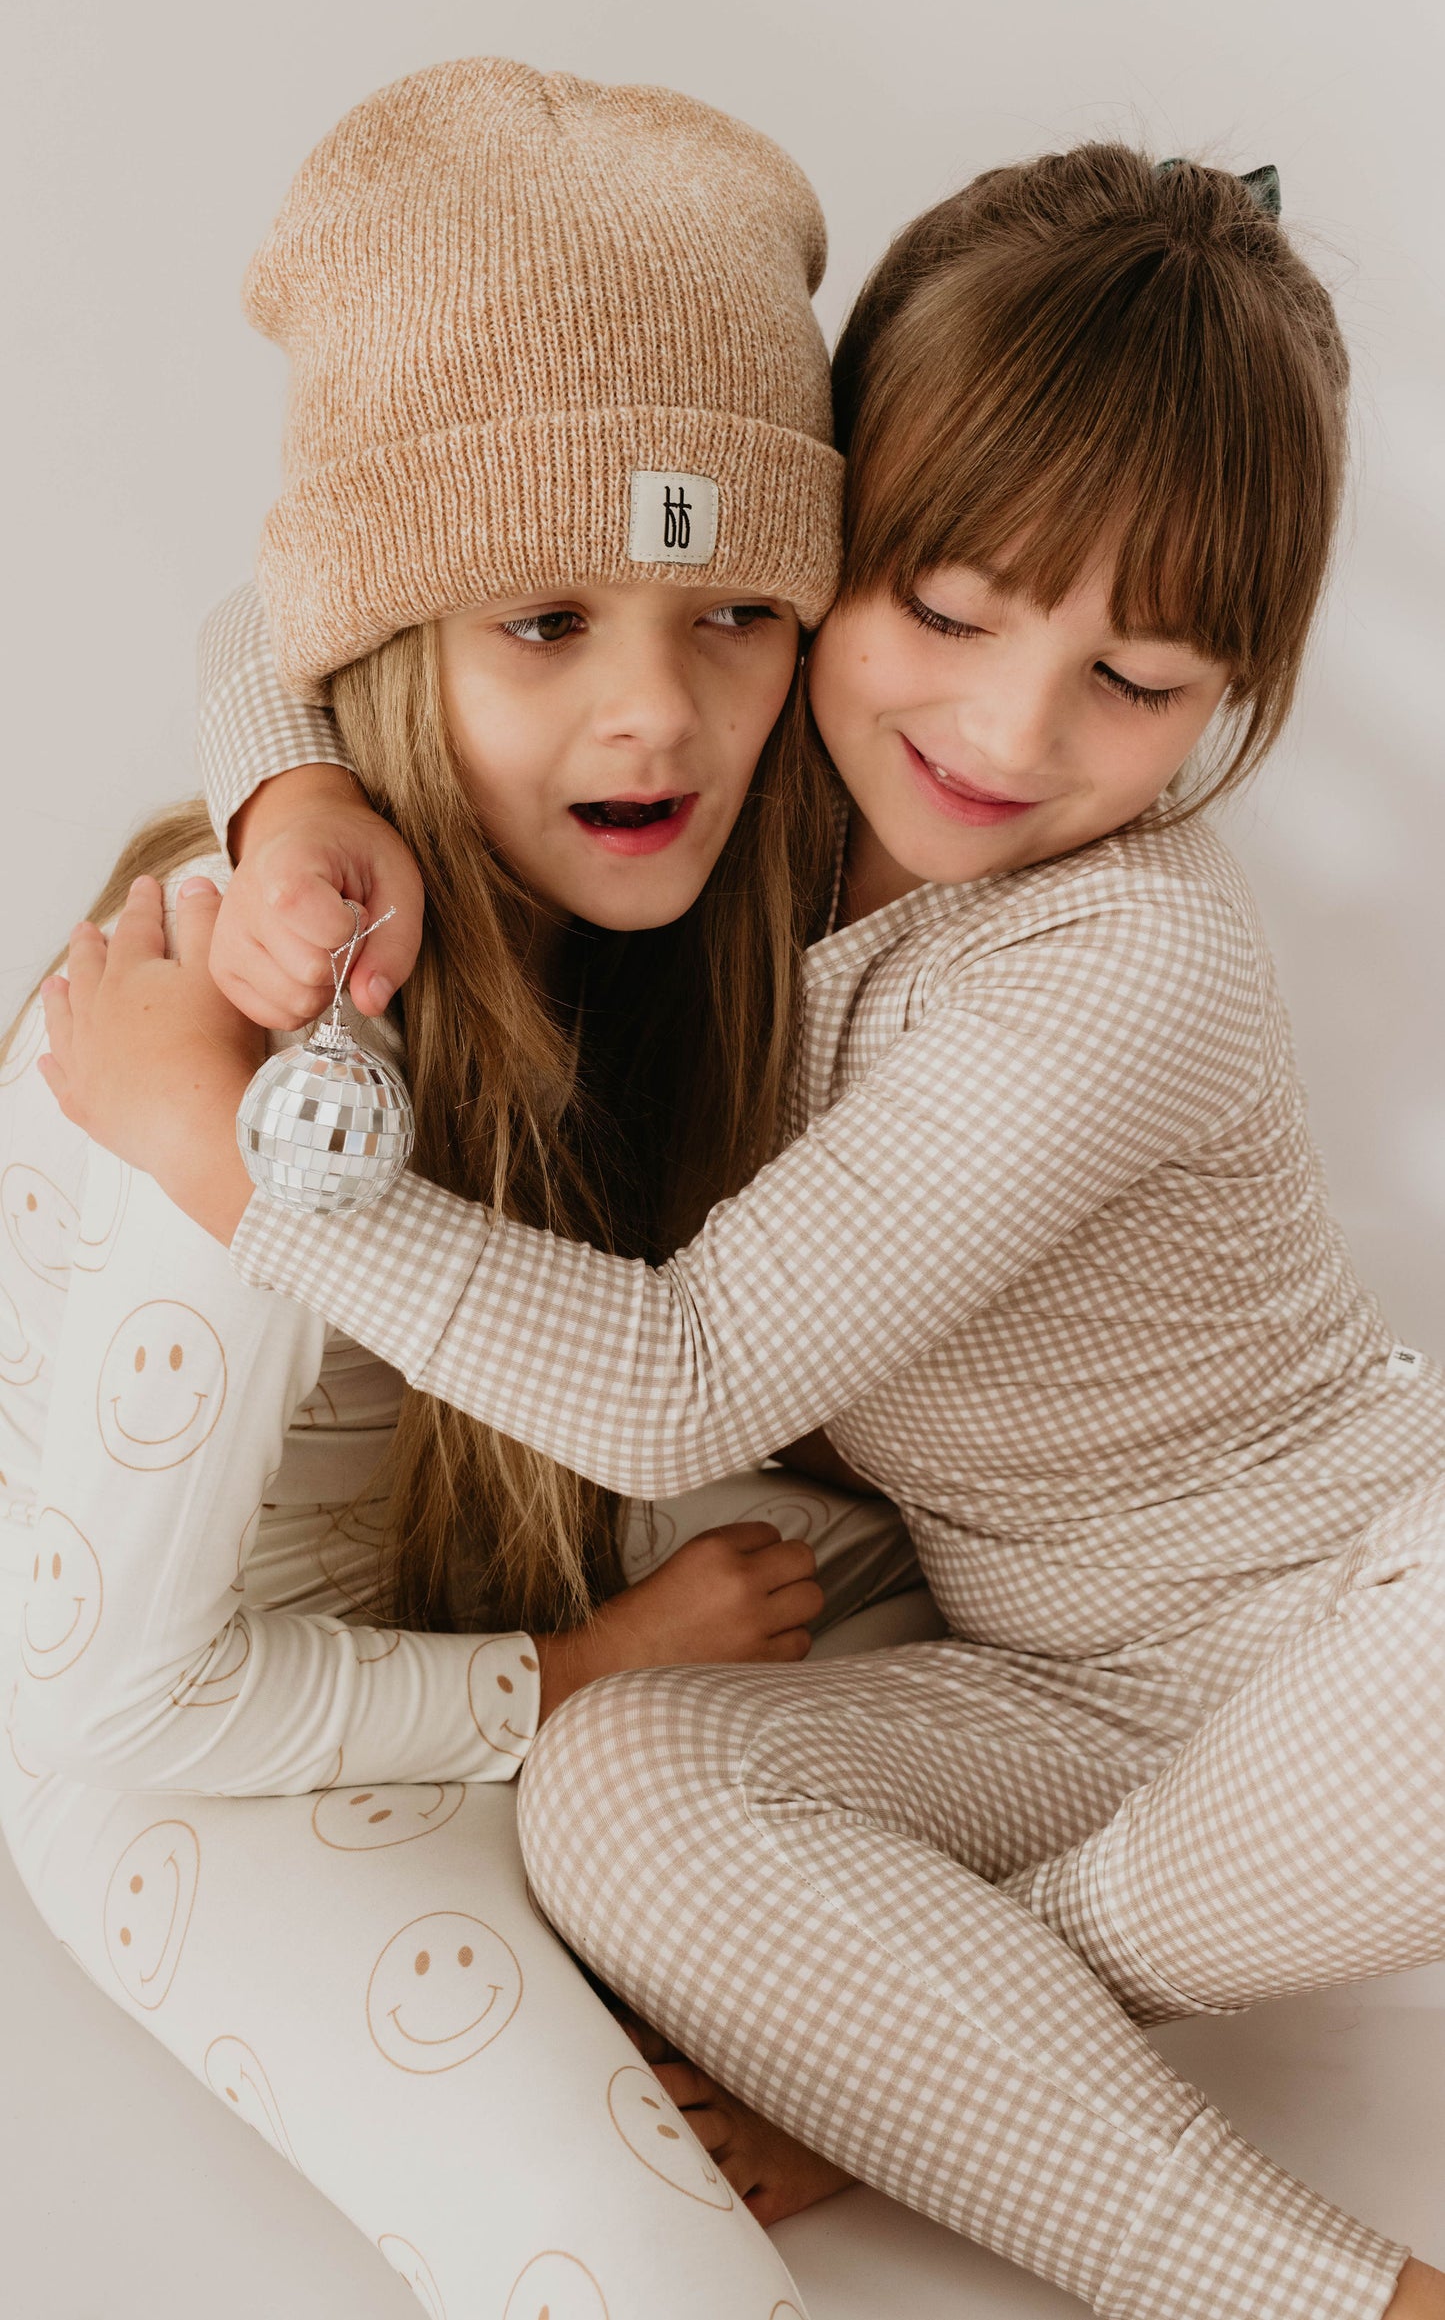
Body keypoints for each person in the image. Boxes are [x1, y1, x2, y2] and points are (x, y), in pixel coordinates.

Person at [44, 143, 1445, 2318]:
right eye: (951, 613)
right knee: (617, 1791)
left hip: (1351, 1606)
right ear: (816, 545)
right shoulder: (748, 764)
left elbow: (680, 1374)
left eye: (1142, 684)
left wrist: (246, 1160)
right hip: (1053, 1685)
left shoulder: (1121, 956)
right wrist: (288, 792)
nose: (1007, 733)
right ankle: (975, 2051)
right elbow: (307, 595)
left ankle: (1271, 2263)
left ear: (1227, 699)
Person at [1, 55, 944, 2320]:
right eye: (543, 622)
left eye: (732, 614)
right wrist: (586, 1668)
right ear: (393, 643)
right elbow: (105, 1702)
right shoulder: (222, 1002)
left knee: (990, 1610)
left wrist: (886, 2052)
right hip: (215, 1752)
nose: (663, 721)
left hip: (535, 1564)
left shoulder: (706, 897)